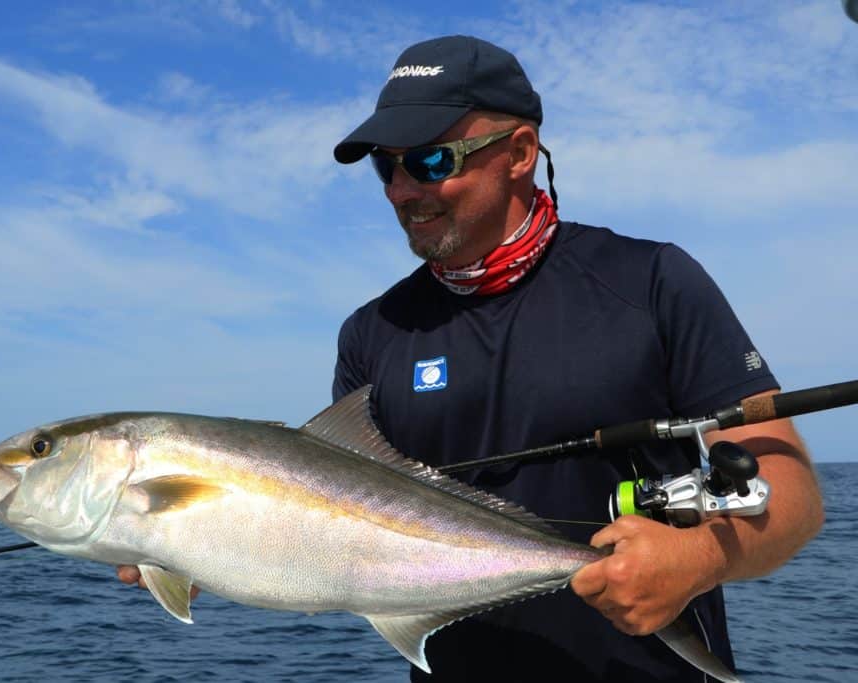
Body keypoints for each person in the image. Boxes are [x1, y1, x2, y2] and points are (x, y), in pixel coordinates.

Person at [121, 35, 824, 681]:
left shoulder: (651, 283)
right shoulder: (373, 333)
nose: (402, 191)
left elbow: (792, 493)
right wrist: (207, 541)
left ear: (519, 152)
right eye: (385, 168)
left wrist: (700, 557)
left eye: (431, 161)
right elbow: (338, 529)